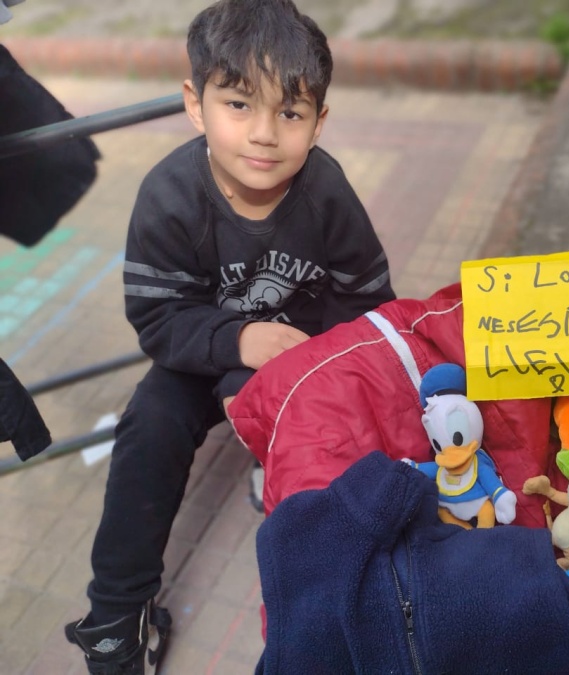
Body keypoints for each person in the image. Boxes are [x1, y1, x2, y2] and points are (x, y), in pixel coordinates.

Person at [64, 0, 395, 671]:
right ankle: (116, 616)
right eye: (240, 104)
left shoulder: (326, 191)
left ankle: (282, 482)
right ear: (196, 103)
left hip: (298, 360)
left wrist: (315, 362)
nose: (265, 134)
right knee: (148, 424)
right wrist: (238, 340)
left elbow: (370, 302)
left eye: (291, 112)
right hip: (201, 350)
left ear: (319, 122)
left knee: (327, 447)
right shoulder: (168, 194)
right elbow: (157, 318)